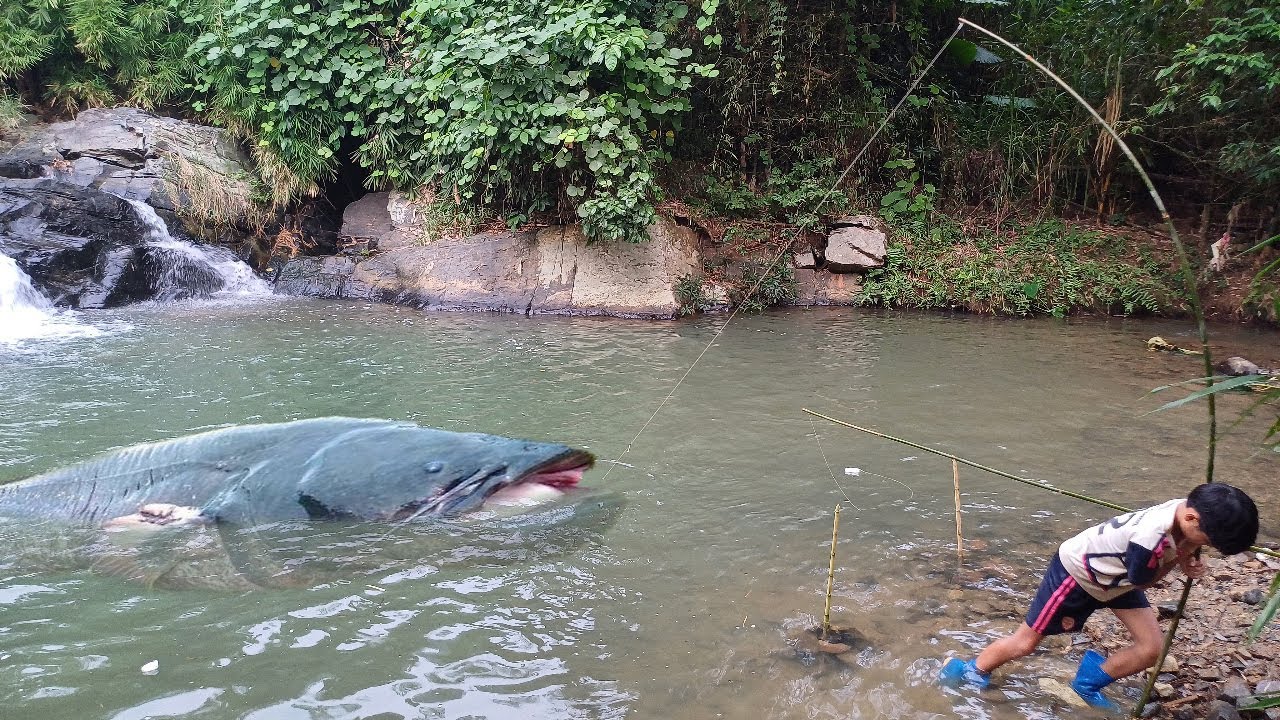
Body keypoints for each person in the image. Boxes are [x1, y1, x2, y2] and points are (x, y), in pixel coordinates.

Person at [939, 483, 1259, 711]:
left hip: (1114, 580)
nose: (1206, 547)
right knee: (1026, 643)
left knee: (1152, 649)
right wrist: (1182, 559)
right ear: (1191, 518)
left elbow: (1162, 558)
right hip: (1077, 575)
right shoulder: (1150, 539)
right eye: (1208, 541)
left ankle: (1088, 682)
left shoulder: (1187, 510)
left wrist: (1187, 551)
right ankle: (968, 669)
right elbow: (1144, 581)